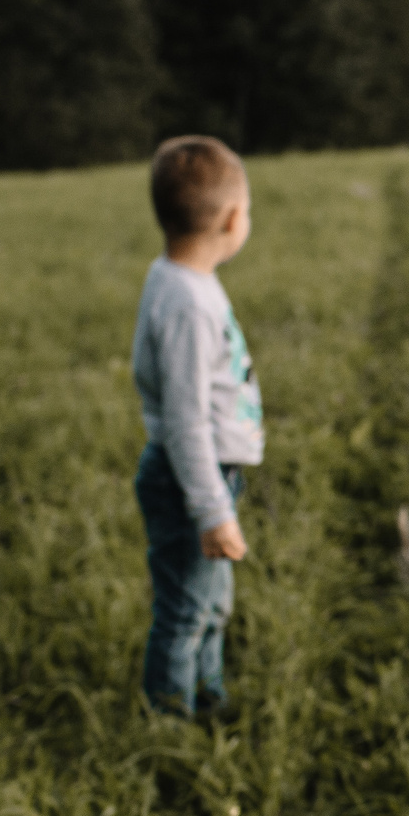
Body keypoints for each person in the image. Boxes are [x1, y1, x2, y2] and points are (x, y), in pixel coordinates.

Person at [131, 135, 262, 716]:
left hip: (205, 475)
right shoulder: (188, 303)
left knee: (210, 603)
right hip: (192, 480)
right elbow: (186, 421)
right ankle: (170, 726)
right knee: (185, 612)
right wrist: (211, 511)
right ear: (234, 219)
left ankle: (210, 697)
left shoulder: (180, 280)